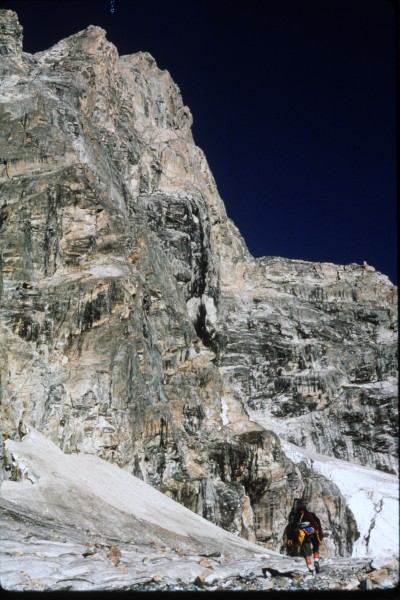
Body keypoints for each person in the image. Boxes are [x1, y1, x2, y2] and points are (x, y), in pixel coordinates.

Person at [286, 503, 323, 574]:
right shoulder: (312, 515)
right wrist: (320, 533)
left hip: (304, 535)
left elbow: (292, 527)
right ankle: (316, 561)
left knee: (306, 553)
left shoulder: (297, 517)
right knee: (316, 548)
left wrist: (290, 538)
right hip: (314, 533)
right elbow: (318, 523)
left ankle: (311, 568)